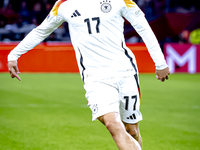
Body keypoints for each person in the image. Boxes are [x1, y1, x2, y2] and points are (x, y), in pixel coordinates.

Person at [8, 0, 170, 149]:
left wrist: (160, 63)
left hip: (125, 72)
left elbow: (144, 28)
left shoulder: (121, 1)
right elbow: (41, 31)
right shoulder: (64, 5)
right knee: (112, 124)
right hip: (95, 78)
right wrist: (14, 54)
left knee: (132, 131)